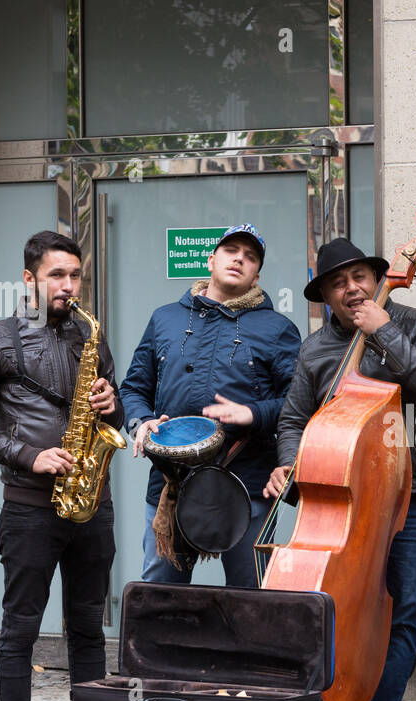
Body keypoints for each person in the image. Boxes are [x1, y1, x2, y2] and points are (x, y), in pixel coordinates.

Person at [0, 229, 148, 701]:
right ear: (29, 279)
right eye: (57, 275)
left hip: (92, 501)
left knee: (88, 627)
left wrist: (117, 402)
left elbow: (117, 404)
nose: (68, 285)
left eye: (75, 275)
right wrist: (29, 455)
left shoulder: (89, 334)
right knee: (20, 632)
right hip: (31, 509)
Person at [265, 238, 416, 701]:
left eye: (359, 278)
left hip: (414, 500)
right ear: (324, 294)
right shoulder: (316, 349)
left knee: (403, 614)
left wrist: (382, 331)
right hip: (343, 505)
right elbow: (293, 421)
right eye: (337, 283)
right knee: (334, 609)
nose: (351, 289)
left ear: (377, 279)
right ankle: (327, 699)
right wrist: (290, 467)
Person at [121, 225, 301, 588]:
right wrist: (140, 422)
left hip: (246, 485)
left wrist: (254, 414)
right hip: (170, 483)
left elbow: (299, 405)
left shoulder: (278, 328)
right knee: (159, 595)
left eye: (250, 257)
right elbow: (133, 388)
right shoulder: (164, 318)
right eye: (231, 250)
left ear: (257, 275)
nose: (239, 259)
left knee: (249, 597)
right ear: (211, 259)